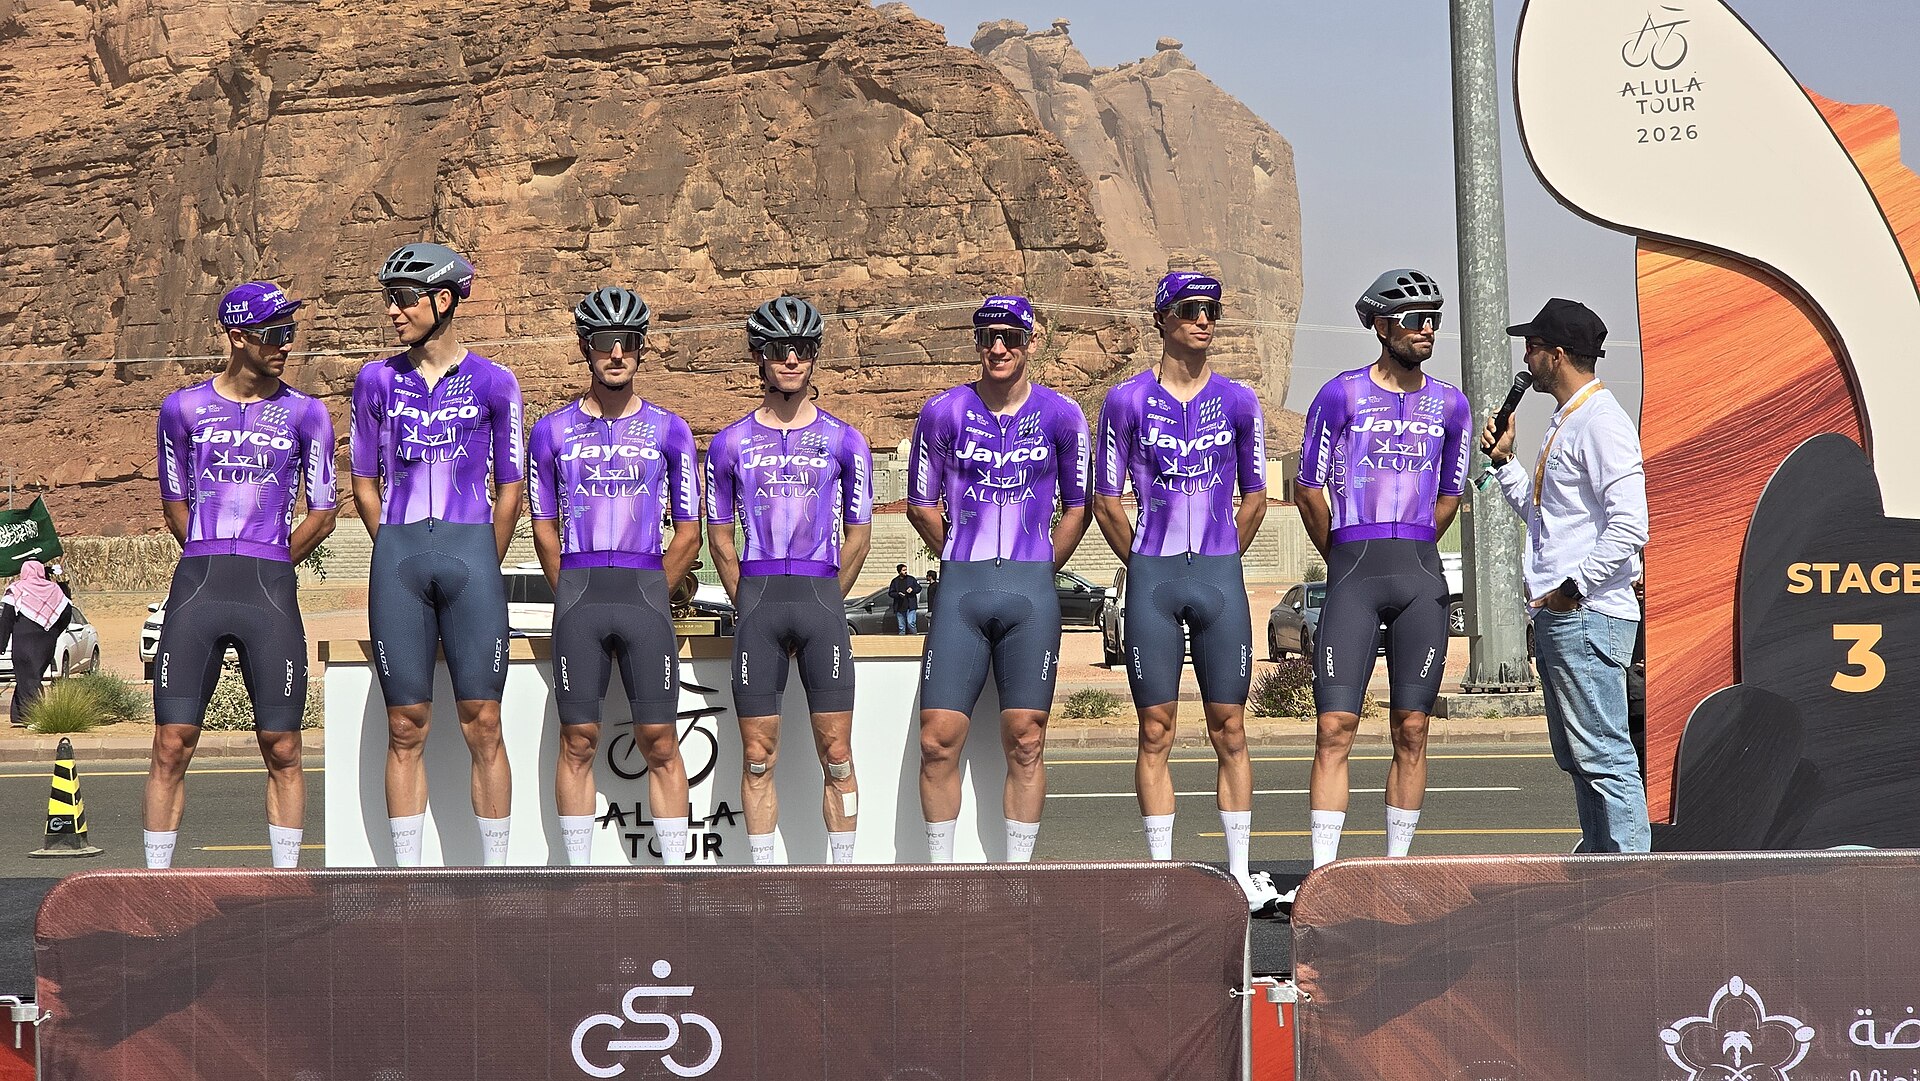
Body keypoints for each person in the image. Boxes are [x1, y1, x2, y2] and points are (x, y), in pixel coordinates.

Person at [1091, 273, 1278, 910]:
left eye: (1213, 311)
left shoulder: (1240, 401)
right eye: (1192, 310)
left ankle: (1239, 873)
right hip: (1155, 574)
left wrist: (1226, 553)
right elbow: (1105, 496)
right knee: (1155, 729)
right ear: (1164, 320)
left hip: (1220, 574)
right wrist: (1143, 559)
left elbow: (1255, 494)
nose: (1205, 321)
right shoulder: (1124, 401)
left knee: (1231, 728)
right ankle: (1162, 874)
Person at [141, 281, 337, 868]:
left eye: (290, 333)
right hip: (199, 582)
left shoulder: (307, 413)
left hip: (268, 587)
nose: (286, 345)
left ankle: (284, 883)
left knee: (283, 746)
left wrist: (270, 559)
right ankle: (155, 883)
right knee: (171, 744)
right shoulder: (180, 409)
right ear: (237, 337)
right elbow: (174, 500)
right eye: (274, 334)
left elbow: (323, 513)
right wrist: (211, 549)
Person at [351, 243, 524, 867]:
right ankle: (406, 881)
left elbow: (511, 486)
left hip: (470, 551)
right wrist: (392, 539)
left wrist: (481, 553)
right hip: (398, 555)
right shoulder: (375, 380)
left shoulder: (496, 382)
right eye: (389, 300)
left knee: (484, 723)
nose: (393, 312)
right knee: (406, 728)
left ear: (443, 300)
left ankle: (497, 874)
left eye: (404, 299)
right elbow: (364, 479)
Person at [1293, 269, 1471, 872]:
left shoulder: (1451, 403)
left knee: (1413, 729)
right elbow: (1308, 485)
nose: (1427, 331)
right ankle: (1323, 872)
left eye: (1434, 321)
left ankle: (1396, 868)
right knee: (1335, 726)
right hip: (1353, 571)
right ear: (1381, 325)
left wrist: (1419, 544)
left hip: (1419, 573)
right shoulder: (1339, 395)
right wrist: (1340, 552)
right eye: (1415, 320)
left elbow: (1451, 493)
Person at [909, 296, 1091, 863]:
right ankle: (941, 874)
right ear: (976, 341)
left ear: (1030, 341)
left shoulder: (1063, 414)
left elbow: (1077, 506)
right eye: (988, 336)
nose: (999, 347)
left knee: (1027, 740)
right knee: (937, 739)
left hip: (1030, 591)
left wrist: (1038, 565)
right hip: (962, 588)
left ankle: (1019, 877)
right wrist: (963, 555)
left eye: (1011, 337)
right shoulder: (942, 412)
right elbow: (921, 503)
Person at [528, 287, 699, 866]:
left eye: (627, 342)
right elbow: (544, 525)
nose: (617, 353)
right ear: (586, 348)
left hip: (644, 595)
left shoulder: (671, 430)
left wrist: (654, 585)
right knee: (577, 741)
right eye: (605, 342)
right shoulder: (550, 432)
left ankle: (677, 880)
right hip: (579, 594)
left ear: (641, 349)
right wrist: (569, 589)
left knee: (660, 743)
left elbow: (689, 531)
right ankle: (579, 877)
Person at [706, 296, 874, 864]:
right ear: (760, 355)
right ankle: (761, 878)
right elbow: (720, 536)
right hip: (758, 600)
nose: (792, 359)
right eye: (780, 349)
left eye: (802, 349)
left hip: (820, 597)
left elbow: (859, 534)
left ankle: (844, 877)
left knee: (838, 754)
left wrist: (828, 594)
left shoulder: (845, 440)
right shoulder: (728, 444)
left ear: (814, 357)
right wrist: (748, 596)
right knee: (757, 754)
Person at [1481, 298, 1649, 853]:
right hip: (1565, 614)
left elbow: (1631, 525)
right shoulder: (1569, 419)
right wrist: (1505, 464)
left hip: (1587, 614)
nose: (1524, 359)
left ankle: (1629, 883)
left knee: (1604, 755)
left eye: (1531, 348)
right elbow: (1548, 522)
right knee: (1581, 758)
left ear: (1556, 355)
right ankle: (1603, 869)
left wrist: (1572, 589)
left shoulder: (1602, 421)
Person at [0, 561, 73, 728]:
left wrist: (1, 644)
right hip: (46, 643)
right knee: (31, 676)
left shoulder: (16, 589)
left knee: (27, 677)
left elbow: (6, 619)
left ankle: (36, 717)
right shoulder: (54, 590)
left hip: (23, 642)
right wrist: (53, 633)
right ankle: (20, 715)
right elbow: (66, 613)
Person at [888, 564, 920, 634]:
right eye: (903, 570)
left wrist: (912, 589)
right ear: (899, 571)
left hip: (910, 606)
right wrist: (898, 594)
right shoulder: (895, 581)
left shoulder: (911, 579)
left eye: (906, 570)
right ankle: (902, 642)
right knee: (901, 627)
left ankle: (915, 639)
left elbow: (919, 588)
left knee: (911, 623)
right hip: (900, 607)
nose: (905, 571)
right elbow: (890, 593)